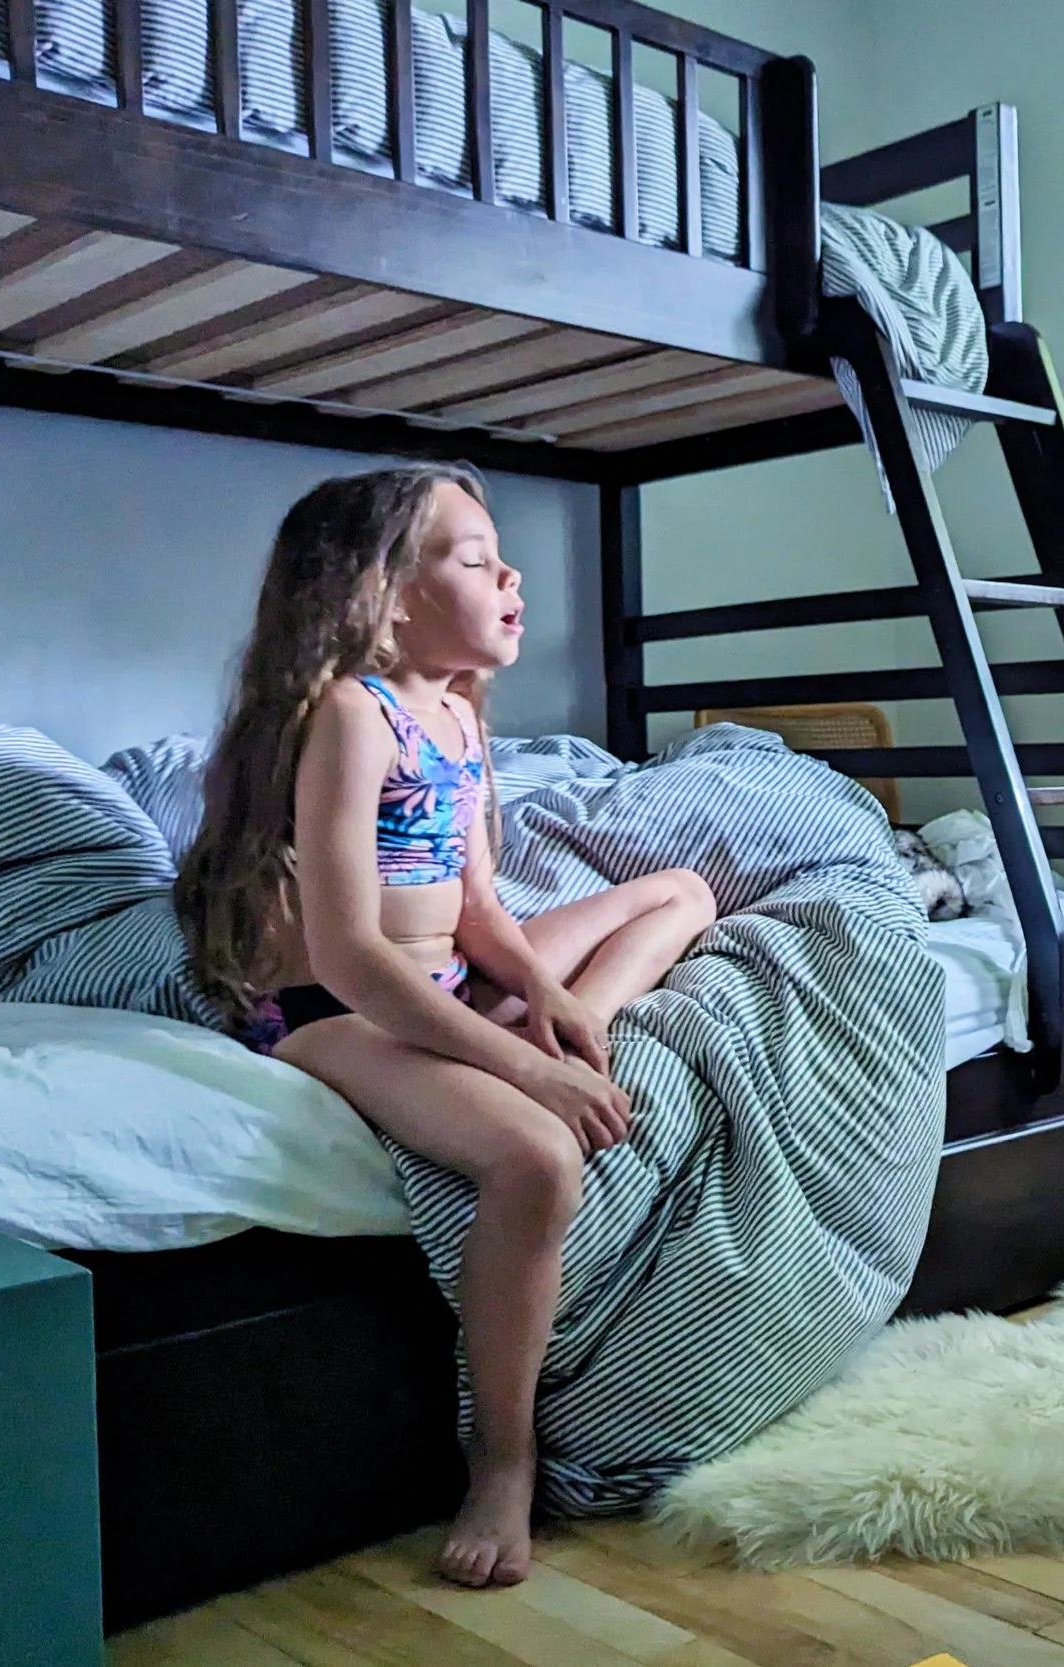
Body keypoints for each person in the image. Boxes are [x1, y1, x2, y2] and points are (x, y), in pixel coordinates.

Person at [174, 465, 716, 1588]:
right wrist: (525, 1068)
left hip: (453, 982)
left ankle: (587, 1015)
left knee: (683, 893)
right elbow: (347, 953)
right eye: (475, 559)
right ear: (380, 595)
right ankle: (504, 1455)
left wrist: (551, 1001)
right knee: (537, 1157)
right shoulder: (349, 715)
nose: (512, 577)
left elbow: (477, 905)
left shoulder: (459, 719)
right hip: (338, 1009)